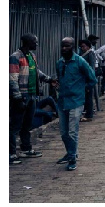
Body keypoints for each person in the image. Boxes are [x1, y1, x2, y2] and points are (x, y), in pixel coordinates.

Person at [9, 33, 56, 165]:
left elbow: (36, 72)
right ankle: (10, 154)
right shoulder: (15, 57)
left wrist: (48, 79)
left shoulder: (31, 56)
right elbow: (12, 78)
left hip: (32, 95)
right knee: (14, 126)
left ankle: (26, 149)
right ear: (27, 42)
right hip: (21, 96)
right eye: (34, 42)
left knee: (27, 124)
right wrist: (18, 98)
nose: (36, 44)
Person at [55, 37, 97, 171]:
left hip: (76, 101)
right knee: (63, 132)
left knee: (73, 131)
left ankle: (72, 157)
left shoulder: (80, 62)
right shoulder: (60, 63)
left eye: (67, 46)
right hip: (62, 101)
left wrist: (82, 90)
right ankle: (70, 152)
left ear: (73, 47)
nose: (64, 49)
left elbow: (92, 79)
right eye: (62, 46)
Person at [78, 39, 96, 122]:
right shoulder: (82, 53)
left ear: (88, 46)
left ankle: (89, 115)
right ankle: (87, 113)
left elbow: (91, 67)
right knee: (86, 96)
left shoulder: (90, 53)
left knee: (89, 97)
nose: (82, 48)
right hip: (83, 78)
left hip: (88, 78)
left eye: (83, 46)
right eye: (81, 46)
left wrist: (90, 79)